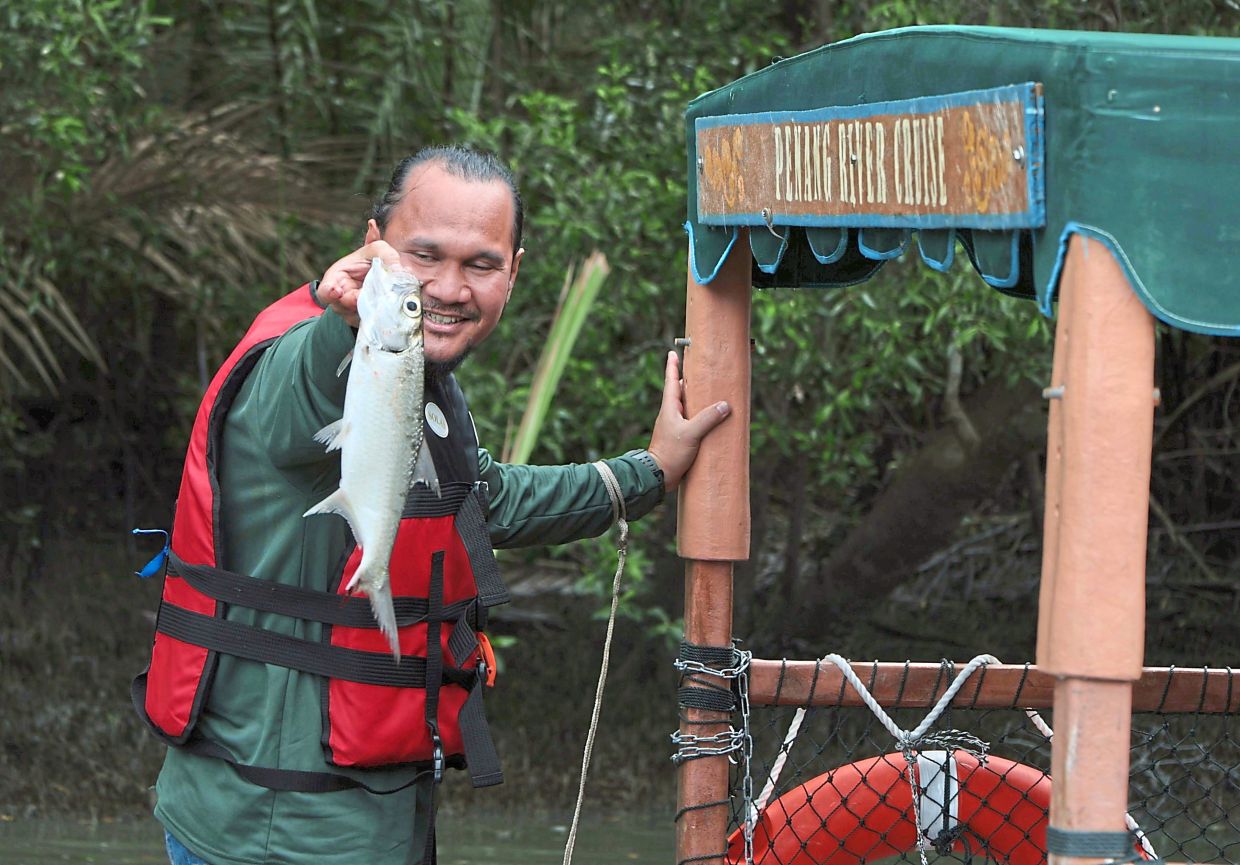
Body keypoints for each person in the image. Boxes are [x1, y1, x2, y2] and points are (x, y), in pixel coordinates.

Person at [134, 145, 731, 865]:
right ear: (372, 245)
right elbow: (308, 394)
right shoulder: (315, 360)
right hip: (271, 836)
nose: (449, 286)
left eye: (480, 263)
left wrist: (653, 470)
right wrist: (350, 322)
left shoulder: (422, 376)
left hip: (375, 823)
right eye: (425, 256)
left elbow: (488, 499)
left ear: (513, 270)